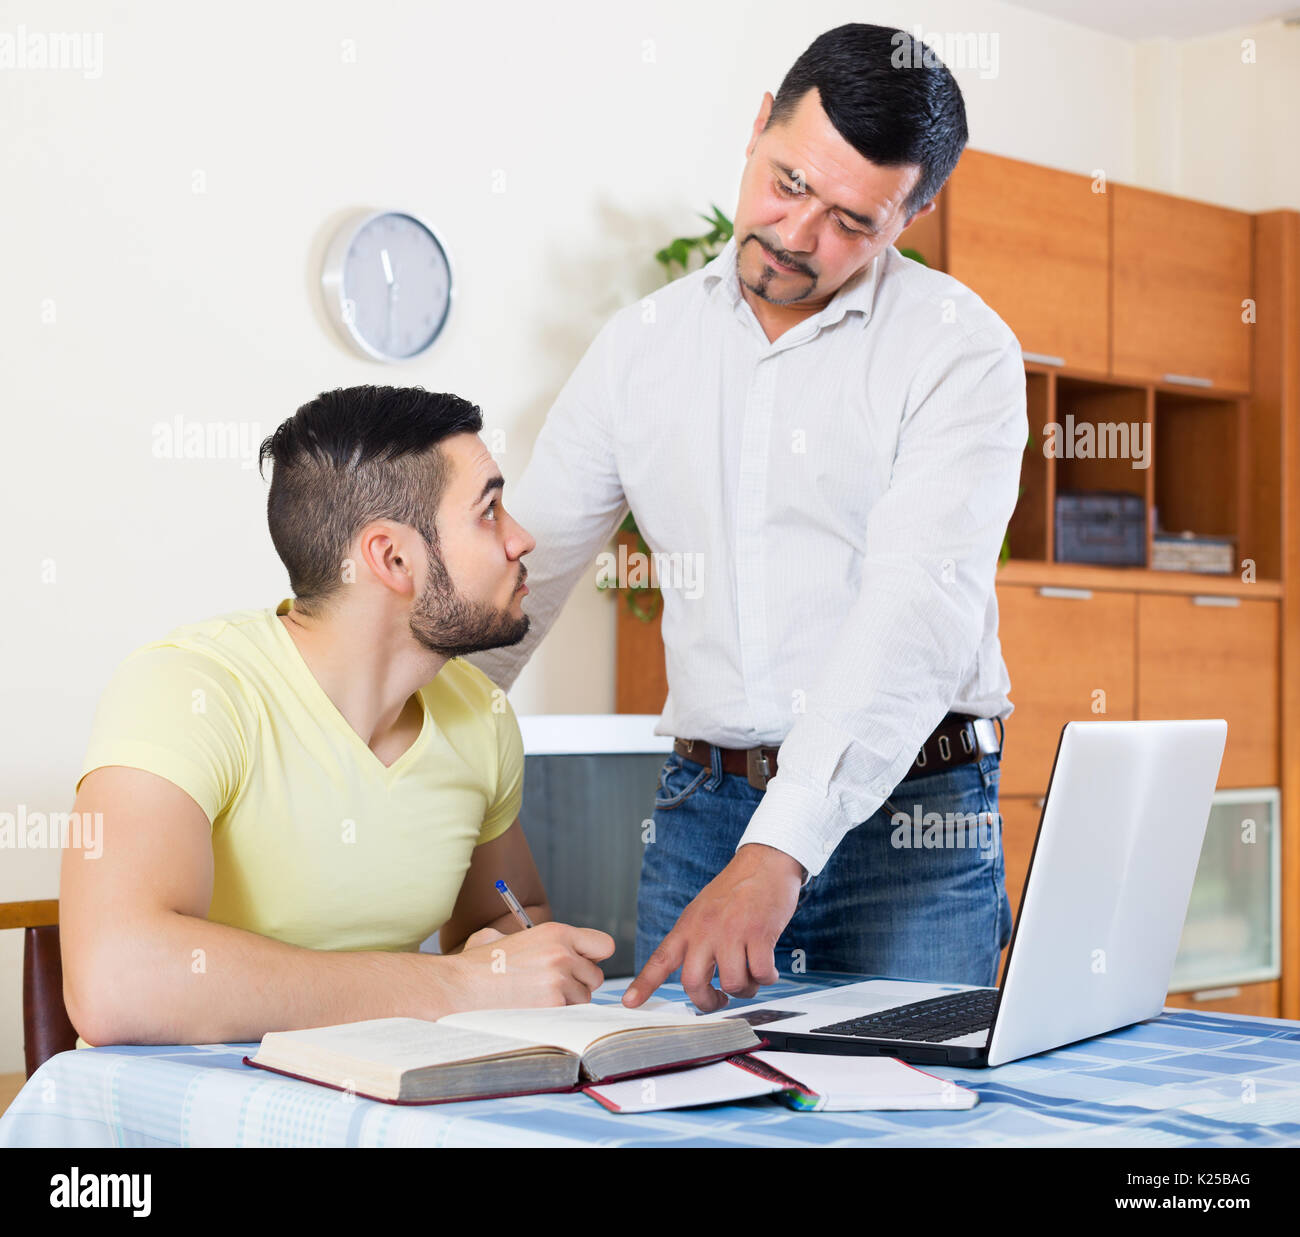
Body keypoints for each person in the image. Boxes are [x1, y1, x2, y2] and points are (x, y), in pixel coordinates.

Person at [466, 23, 1026, 1013]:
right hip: (704, 814)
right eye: (788, 183)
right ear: (760, 122)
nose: (798, 235)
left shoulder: (958, 351)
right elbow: (521, 575)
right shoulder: (639, 350)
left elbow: (913, 614)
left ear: (914, 213)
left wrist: (780, 847)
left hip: (912, 826)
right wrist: (385, 732)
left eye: (852, 221)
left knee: (917, 1097)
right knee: (677, 1091)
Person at [61, 386, 614, 1047]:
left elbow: (506, 917)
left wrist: (503, 955)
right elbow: (116, 980)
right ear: (392, 558)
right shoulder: (189, 689)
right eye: (489, 511)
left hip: (382, 1087)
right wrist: (458, 985)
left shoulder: (478, 713)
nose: (522, 538)